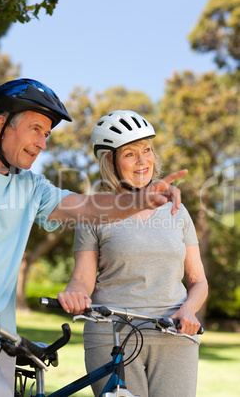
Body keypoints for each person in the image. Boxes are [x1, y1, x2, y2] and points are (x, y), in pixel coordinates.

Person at [0, 81, 187, 397]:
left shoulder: (31, 187)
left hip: (0, 334)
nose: (42, 144)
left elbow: (87, 207)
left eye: (46, 134)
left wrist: (139, 201)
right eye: (35, 129)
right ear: (2, 124)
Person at [58, 110, 208, 397]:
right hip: (111, 335)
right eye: (129, 154)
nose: (143, 161)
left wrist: (188, 309)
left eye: (147, 150)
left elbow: (198, 280)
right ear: (110, 162)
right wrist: (74, 293)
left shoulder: (176, 210)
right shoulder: (95, 212)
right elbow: (82, 279)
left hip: (173, 333)